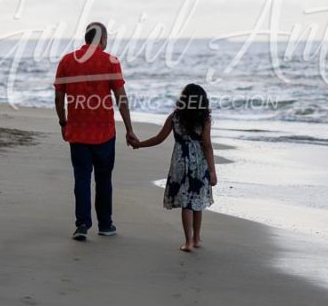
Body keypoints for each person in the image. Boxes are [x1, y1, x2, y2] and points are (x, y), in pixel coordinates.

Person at [54, 22, 139, 241]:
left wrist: (63, 123)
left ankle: (82, 224)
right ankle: (105, 224)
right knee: (103, 179)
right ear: (102, 40)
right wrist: (130, 129)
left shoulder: (67, 61)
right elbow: (121, 97)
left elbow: (59, 97)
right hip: (104, 133)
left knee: (81, 178)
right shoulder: (110, 61)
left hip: (77, 132)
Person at [132, 83, 217, 252]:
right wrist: (213, 170)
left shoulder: (175, 117)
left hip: (180, 162)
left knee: (186, 202)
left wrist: (139, 144)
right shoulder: (204, 119)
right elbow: (207, 145)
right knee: (197, 200)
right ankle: (197, 237)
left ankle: (188, 242)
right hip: (199, 163)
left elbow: (159, 138)